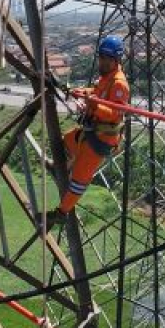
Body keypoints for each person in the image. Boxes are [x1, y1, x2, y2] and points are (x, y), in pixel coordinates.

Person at [43, 35, 130, 227]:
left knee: (79, 180)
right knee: (65, 141)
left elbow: (115, 113)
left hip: (101, 140)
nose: (102, 62)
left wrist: (94, 104)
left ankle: (61, 213)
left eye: (106, 59)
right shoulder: (107, 78)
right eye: (101, 57)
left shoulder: (119, 84)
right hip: (91, 132)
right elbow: (96, 93)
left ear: (116, 60)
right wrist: (79, 92)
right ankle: (60, 168)